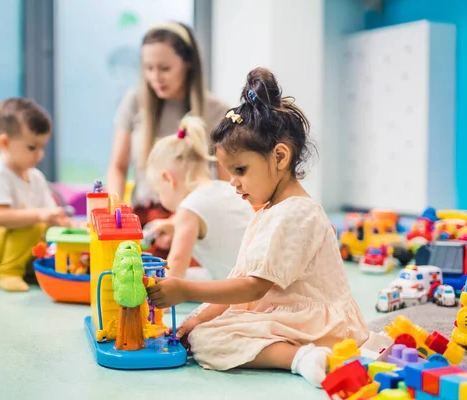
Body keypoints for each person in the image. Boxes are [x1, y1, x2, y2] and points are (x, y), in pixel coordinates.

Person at [146, 68, 369, 386]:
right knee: (204, 333)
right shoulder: (268, 210)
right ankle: (296, 351)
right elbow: (240, 281)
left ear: (279, 156)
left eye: (240, 170)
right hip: (286, 309)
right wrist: (195, 318)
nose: (233, 183)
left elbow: (253, 287)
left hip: (318, 323)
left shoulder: (298, 213)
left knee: (210, 342)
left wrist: (185, 290)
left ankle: (302, 357)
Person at [106, 21, 230, 232]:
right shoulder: (134, 101)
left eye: (165, 68)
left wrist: (182, 224)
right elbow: (118, 166)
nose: (155, 77)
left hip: (195, 222)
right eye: (148, 68)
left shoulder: (217, 111)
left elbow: (226, 184)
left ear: (188, 62)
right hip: (143, 220)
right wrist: (115, 214)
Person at [0, 98, 74, 292]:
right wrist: (41, 215)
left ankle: (28, 268)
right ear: (4, 143)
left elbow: (49, 214)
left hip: (20, 243)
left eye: (43, 147)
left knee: (47, 231)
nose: (40, 155)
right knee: (35, 224)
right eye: (32, 148)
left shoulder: (36, 177)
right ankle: (8, 271)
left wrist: (69, 225)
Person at [146, 116, 255, 281]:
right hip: (259, 282)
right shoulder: (227, 188)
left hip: (240, 292)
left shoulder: (189, 208)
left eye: (157, 191)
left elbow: (175, 271)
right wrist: (173, 226)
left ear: (168, 179)